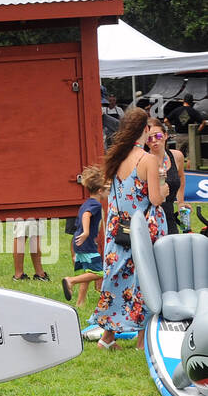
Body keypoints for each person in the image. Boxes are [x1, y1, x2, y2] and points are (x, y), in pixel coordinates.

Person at [93, 107, 166, 351]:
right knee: (146, 280)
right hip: (141, 228)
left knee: (114, 281)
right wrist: (164, 190)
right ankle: (142, 340)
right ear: (145, 129)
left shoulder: (116, 156)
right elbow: (155, 199)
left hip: (116, 228)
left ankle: (107, 337)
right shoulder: (147, 160)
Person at [62, 166, 106, 308]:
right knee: (99, 272)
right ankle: (71, 281)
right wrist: (87, 232)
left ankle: (80, 303)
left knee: (87, 272)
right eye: (106, 189)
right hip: (86, 243)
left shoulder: (87, 202)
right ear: (99, 191)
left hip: (79, 243)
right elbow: (87, 215)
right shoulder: (95, 205)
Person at [148, 116, 186, 235]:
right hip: (150, 218)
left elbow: (180, 177)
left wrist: (180, 202)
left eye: (158, 136)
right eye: (149, 138)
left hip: (169, 216)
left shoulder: (177, 156)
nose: (154, 140)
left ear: (165, 135)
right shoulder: (144, 160)